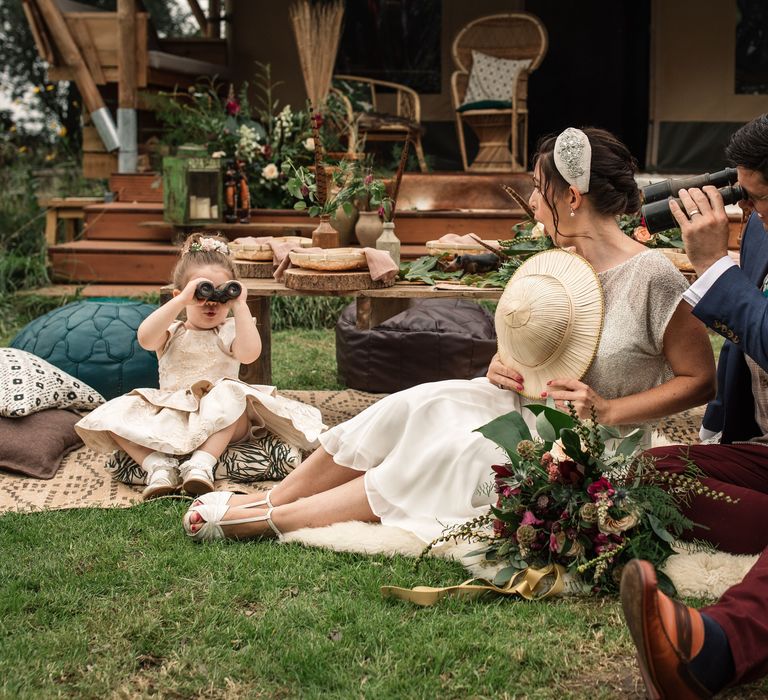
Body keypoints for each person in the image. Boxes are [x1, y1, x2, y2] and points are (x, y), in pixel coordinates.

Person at [181, 126, 716, 544]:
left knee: (451, 454)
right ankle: (271, 498)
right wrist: (504, 364)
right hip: (521, 405)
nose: (532, 202)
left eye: (538, 188)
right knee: (415, 404)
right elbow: (536, 350)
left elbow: (700, 380)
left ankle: (278, 520)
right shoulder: (558, 265)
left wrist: (609, 411)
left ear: (570, 196)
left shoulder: (655, 276)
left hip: (586, 447)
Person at [621, 115, 768, 697]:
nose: (751, 213)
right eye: (747, 198)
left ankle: (713, 649)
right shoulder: (759, 229)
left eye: (758, 199)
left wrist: (712, 266)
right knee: (652, 474)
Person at [75, 233, 325, 500]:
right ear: (180, 294)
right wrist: (182, 300)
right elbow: (145, 338)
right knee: (114, 412)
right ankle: (159, 467)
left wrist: (240, 305)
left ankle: (202, 464)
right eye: (202, 292)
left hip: (223, 422)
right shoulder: (171, 332)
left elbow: (250, 354)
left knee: (230, 392)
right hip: (175, 418)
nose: (211, 302)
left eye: (221, 293)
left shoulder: (228, 331)